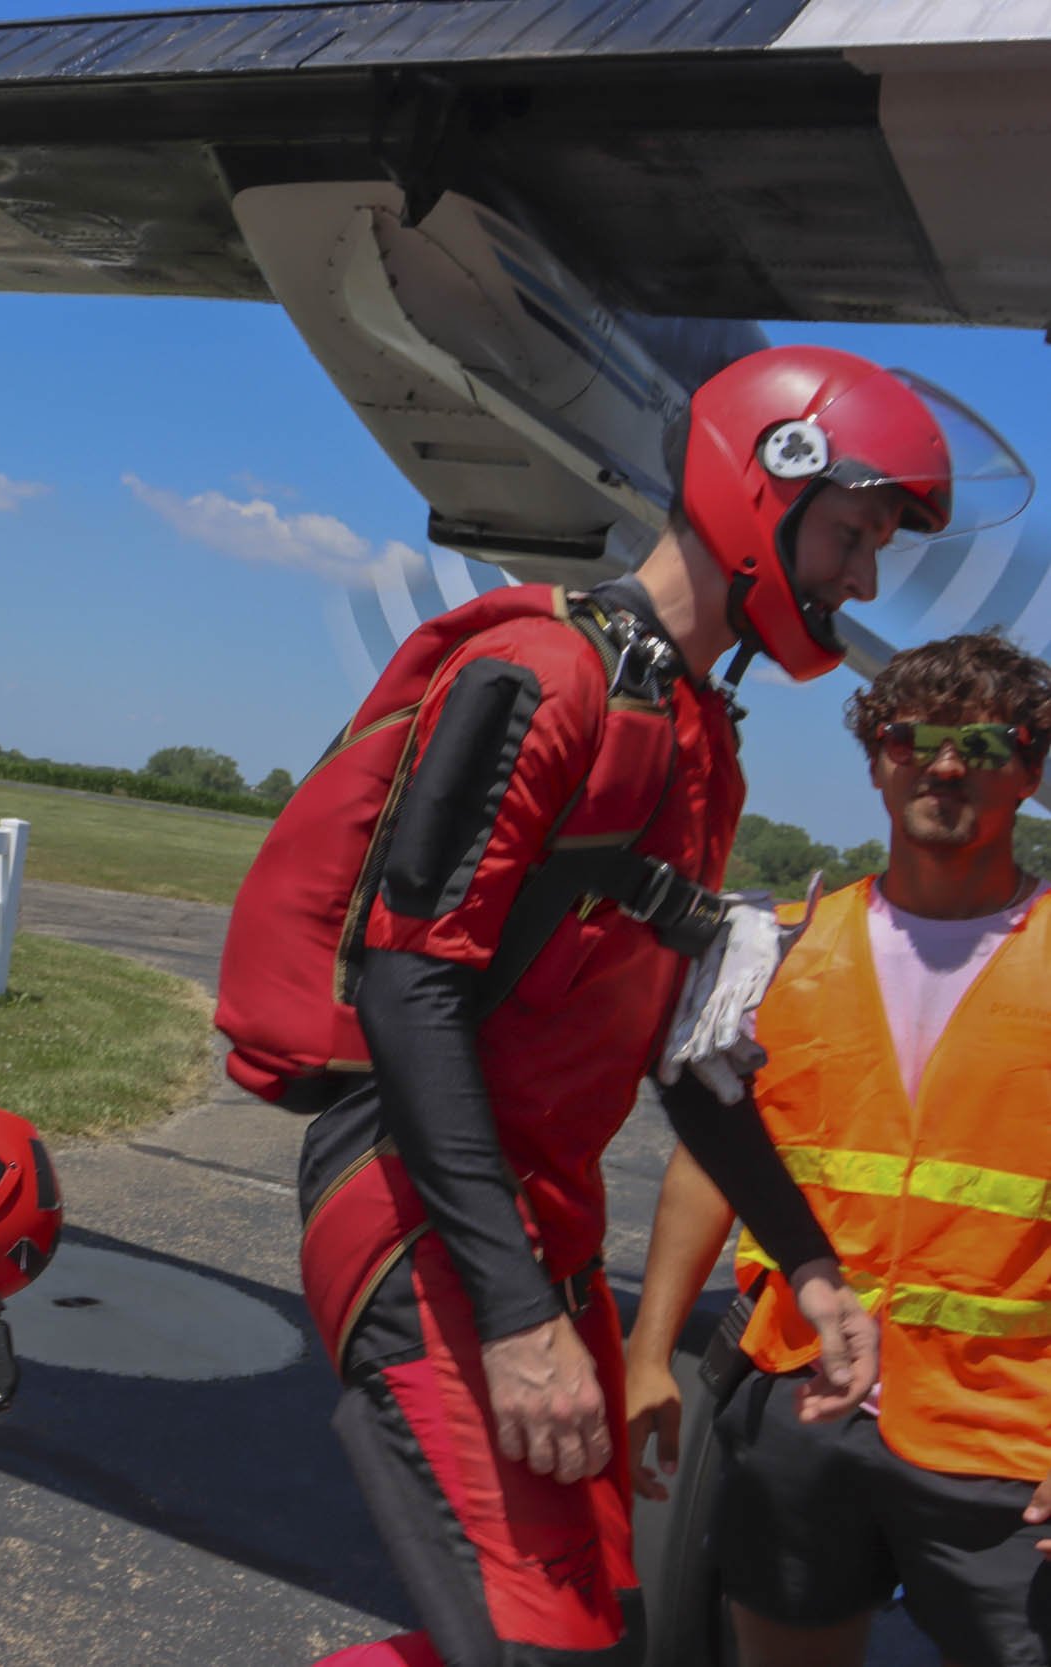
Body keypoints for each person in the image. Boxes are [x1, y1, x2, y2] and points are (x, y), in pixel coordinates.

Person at [294, 346, 1029, 1667]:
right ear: (769, 487)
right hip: (421, 1210)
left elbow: (680, 1058)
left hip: (537, 1222)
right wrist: (520, 1321)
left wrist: (811, 1262)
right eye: (856, 536)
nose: (863, 582)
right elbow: (407, 990)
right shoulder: (534, 674)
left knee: (588, 1632)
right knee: (539, 1648)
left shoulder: (696, 738)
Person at [625, 632, 1051, 1667]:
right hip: (799, 1400)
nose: (943, 764)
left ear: (1030, 769)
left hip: (1006, 1432)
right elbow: (712, 1162)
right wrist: (647, 1354)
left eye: (982, 741)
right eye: (913, 737)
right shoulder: (780, 947)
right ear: (874, 757)